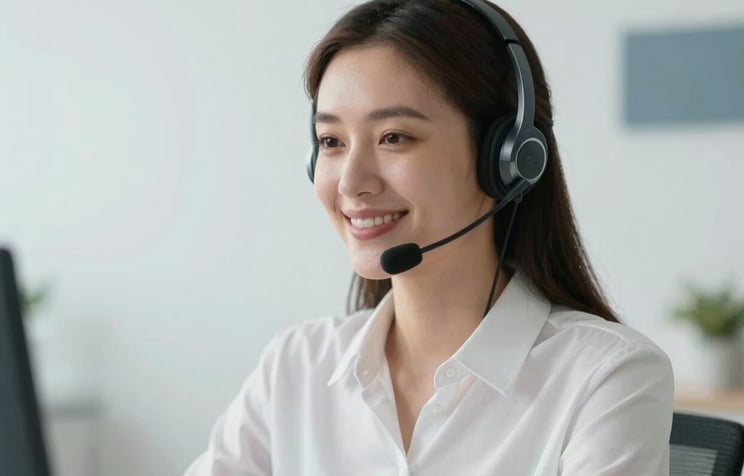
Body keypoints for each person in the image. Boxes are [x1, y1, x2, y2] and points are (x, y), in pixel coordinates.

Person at [185, 0, 674, 474]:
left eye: (394, 137)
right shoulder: (296, 366)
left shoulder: (607, 379)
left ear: (505, 160)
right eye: (331, 142)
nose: (352, 183)